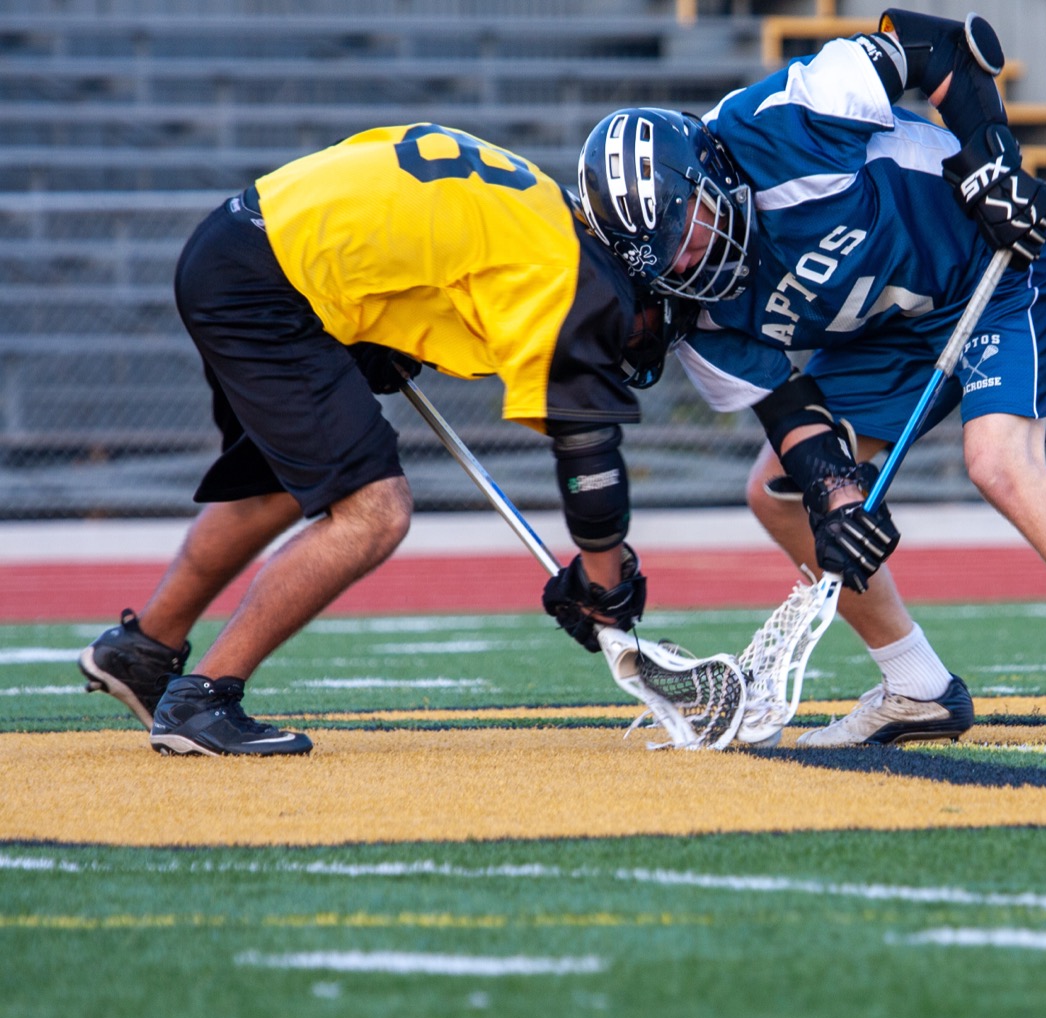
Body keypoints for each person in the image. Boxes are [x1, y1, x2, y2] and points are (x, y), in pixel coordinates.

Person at [577, 10, 1046, 747]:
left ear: (706, 174)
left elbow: (934, 45)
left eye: (686, 232)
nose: (689, 263)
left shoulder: (786, 121)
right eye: (664, 261)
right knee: (778, 492)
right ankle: (917, 687)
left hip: (990, 268)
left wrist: (993, 162)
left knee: (999, 463)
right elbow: (789, 412)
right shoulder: (690, 310)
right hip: (891, 325)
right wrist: (837, 501)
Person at [78, 123, 684, 755]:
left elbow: (385, 184)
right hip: (270, 287)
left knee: (279, 483)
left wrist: (372, 324)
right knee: (374, 513)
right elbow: (588, 452)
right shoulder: (573, 273)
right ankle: (200, 702)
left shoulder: (541, 209)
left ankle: (142, 652)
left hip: (247, 246)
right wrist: (603, 586)